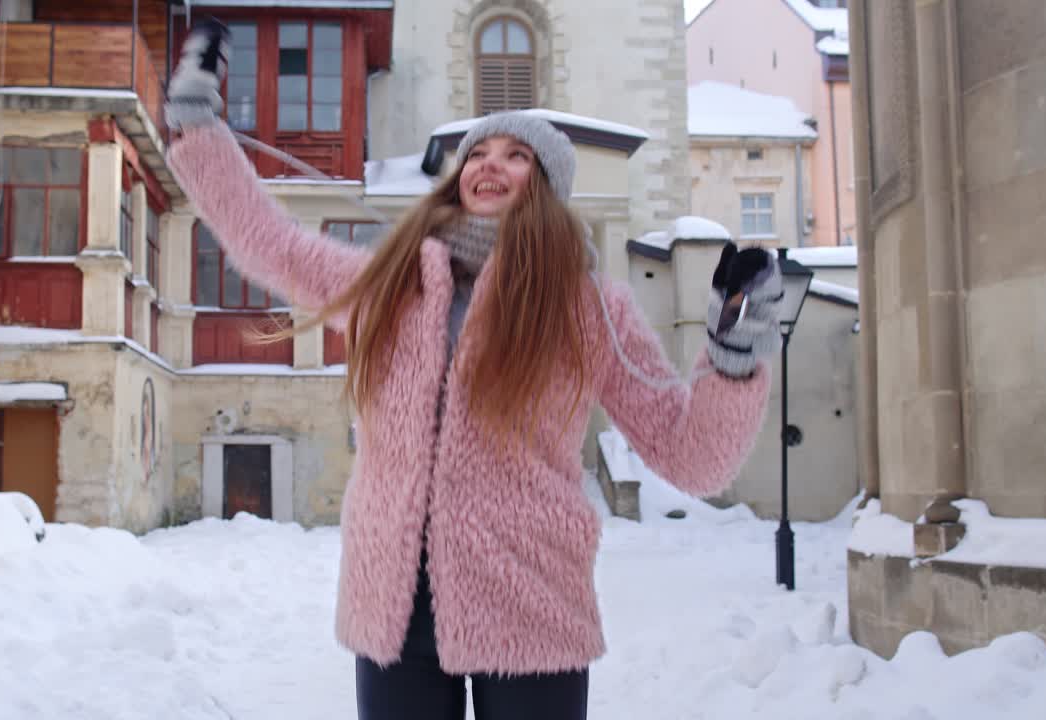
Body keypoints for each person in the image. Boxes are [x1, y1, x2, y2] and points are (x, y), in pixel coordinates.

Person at [164, 21, 782, 720]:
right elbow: (269, 241)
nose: (489, 163)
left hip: (529, 603)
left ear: (545, 184)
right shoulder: (391, 286)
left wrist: (733, 357)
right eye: (477, 153)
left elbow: (689, 454)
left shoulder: (584, 305)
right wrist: (200, 129)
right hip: (393, 607)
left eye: (517, 155)